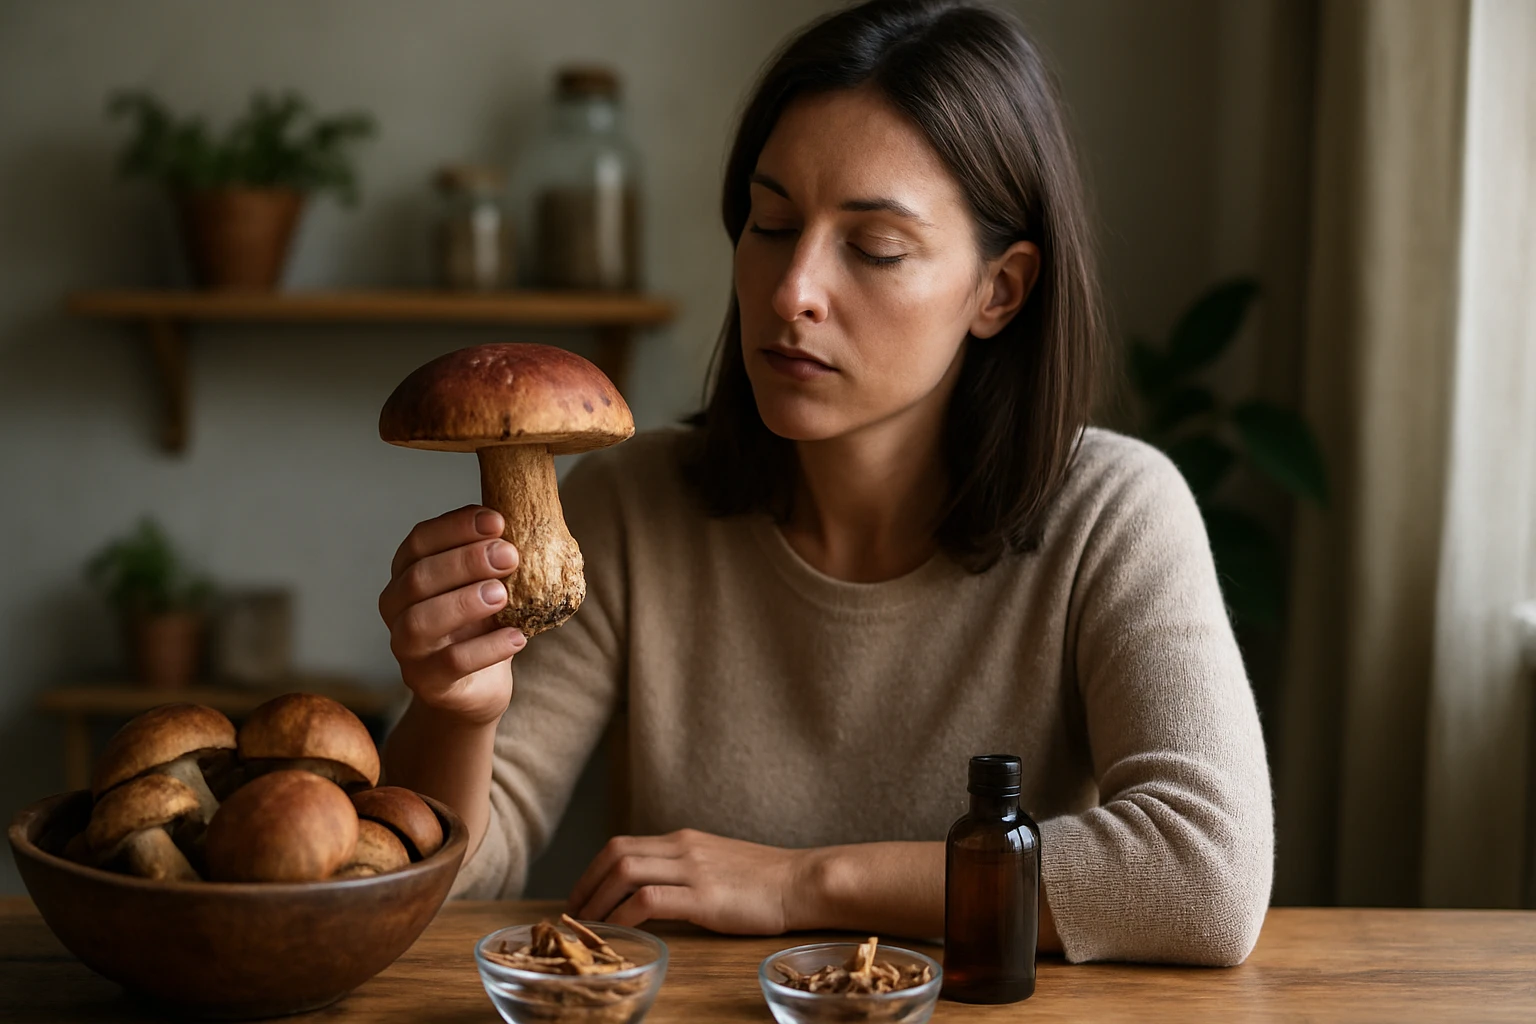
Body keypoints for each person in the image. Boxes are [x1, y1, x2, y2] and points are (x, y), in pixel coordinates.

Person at [378, 0, 1272, 966]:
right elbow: (448, 878)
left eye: (874, 246)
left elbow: (1204, 876)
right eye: (770, 223)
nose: (789, 288)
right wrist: (455, 713)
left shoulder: (1117, 512)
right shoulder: (629, 505)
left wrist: (800, 882)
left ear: (998, 291)